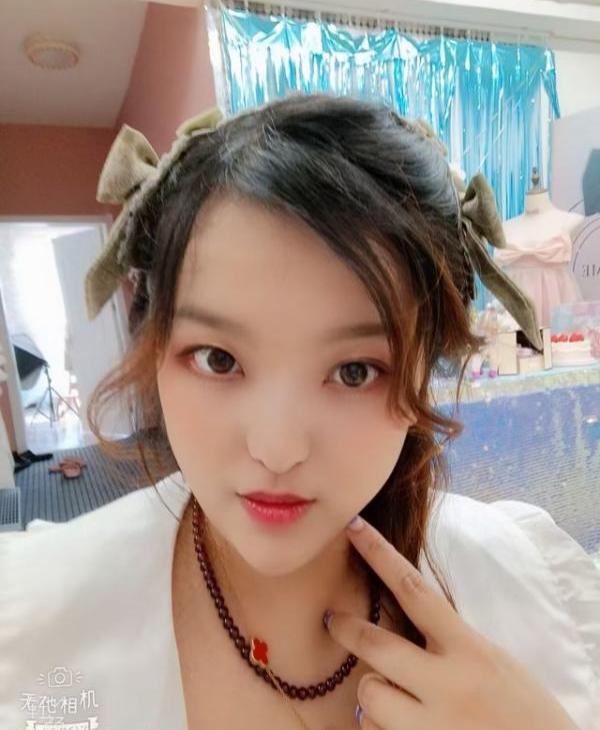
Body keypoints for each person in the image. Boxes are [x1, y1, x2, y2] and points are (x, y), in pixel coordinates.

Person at [1, 93, 599, 730]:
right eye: (219, 360)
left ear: (425, 366)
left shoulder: (535, 590)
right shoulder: (31, 627)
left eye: (354, 371)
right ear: (155, 347)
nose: (277, 449)